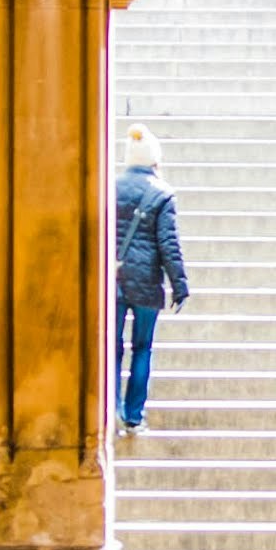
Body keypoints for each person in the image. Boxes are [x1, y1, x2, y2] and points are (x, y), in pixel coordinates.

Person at [112, 125, 190, 431]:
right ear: (155, 160)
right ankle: (134, 416)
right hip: (147, 283)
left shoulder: (110, 188)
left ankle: (111, 409)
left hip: (114, 280)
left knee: (111, 346)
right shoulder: (162, 194)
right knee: (142, 347)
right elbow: (169, 244)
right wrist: (179, 285)